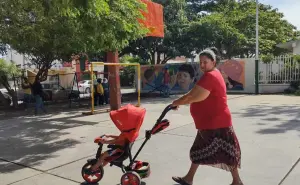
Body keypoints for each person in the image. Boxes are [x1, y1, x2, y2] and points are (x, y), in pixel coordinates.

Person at [171, 47, 243, 185]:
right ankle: (189, 178)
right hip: (210, 122)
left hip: (216, 122)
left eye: (205, 62)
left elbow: (193, 96)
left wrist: (176, 102)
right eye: (201, 62)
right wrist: (180, 101)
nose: (202, 65)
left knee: (227, 152)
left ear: (213, 62)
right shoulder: (212, 74)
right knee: (201, 150)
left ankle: (237, 181)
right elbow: (195, 94)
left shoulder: (211, 76)